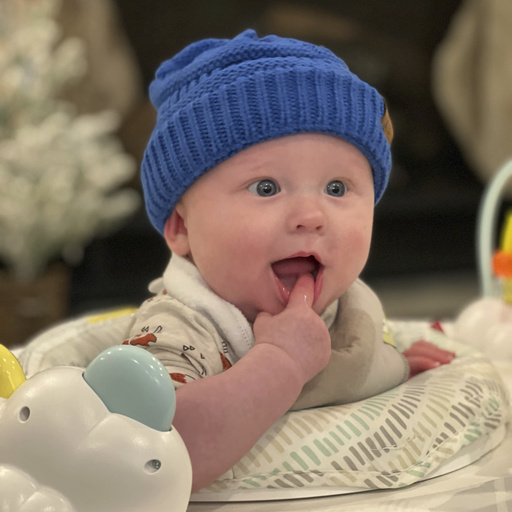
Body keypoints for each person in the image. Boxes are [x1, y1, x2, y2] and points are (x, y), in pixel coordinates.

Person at [125, 29, 455, 491]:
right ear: (181, 228)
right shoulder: (178, 326)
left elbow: (349, 365)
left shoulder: (347, 304)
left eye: (337, 188)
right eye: (266, 188)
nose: (311, 216)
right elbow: (154, 456)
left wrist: (390, 365)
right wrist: (281, 362)